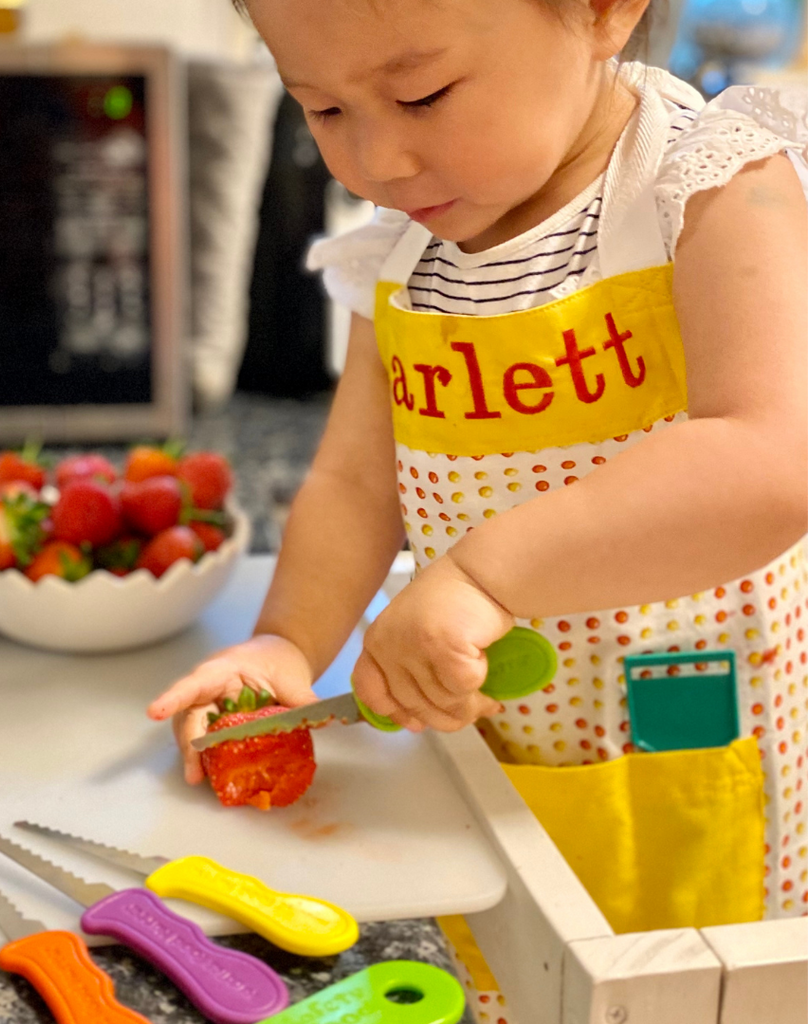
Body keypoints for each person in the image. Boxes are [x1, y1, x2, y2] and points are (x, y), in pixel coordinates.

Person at [149, 0, 807, 1015]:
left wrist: (484, 572)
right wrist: (286, 644)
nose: (377, 161)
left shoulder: (709, 179)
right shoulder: (402, 254)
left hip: (697, 755)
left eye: (421, 94)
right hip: (498, 763)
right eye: (323, 109)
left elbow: (767, 459)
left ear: (599, 12)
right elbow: (357, 483)